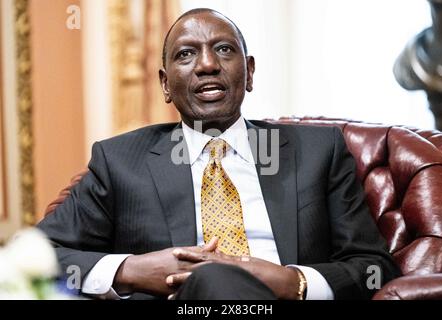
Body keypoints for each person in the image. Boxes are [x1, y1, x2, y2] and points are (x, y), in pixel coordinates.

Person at [37, 8, 400, 300]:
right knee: (213, 281)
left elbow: (374, 268)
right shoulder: (120, 162)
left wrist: (294, 282)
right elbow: (38, 256)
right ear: (165, 84)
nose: (207, 64)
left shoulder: (318, 152)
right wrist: (131, 270)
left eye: (224, 49)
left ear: (250, 72)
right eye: (186, 54)